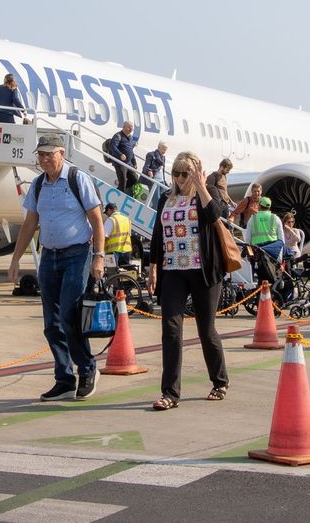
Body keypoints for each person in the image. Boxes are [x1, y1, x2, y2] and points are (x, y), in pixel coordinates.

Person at [7, 135, 104, 402]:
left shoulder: (77, 178)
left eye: (50, 154)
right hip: (49, 256)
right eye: (41, 154)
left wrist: (99, 256)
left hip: (77, 253)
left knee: (69, 316)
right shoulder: (38, 185)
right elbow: (30, 224)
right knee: (52, 323)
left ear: (62, 153)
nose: (44, 159)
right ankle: (64, 379)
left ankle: (87, 369)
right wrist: (15, 259)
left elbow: (96, 219)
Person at [145, 151, 229, 410]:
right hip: (173, 271)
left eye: (186, 173)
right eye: (177, 173)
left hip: (203, 271)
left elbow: (216, 215)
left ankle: (220, 381)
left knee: (206, 329)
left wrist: (202, 186)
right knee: (170, 329)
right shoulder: (165, 199)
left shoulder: (207, 194)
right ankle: (170, 392)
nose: (181, 178)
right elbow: (158, 234)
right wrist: (153, 266)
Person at [111, 121, 138, 193]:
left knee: (134, 178)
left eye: (132, 128)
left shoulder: (130, 137)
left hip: (129, 163)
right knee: (123, 180)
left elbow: (131, 151)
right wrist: (120, 154)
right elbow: (113, 147)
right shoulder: (118, 136)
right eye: (129, 127)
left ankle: (120, 190)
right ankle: (121, 191)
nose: (131, 129)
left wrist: (134, 162)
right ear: (124, 127)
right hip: (120, 163)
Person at [103, 203, 132, 268]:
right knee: (126, 272)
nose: (107, 215)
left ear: (109, 210)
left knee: (112, 273)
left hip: (113, 251)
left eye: (106, 213)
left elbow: (104, 236)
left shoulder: (111, 220)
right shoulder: (127, 219)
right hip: (126, 250)